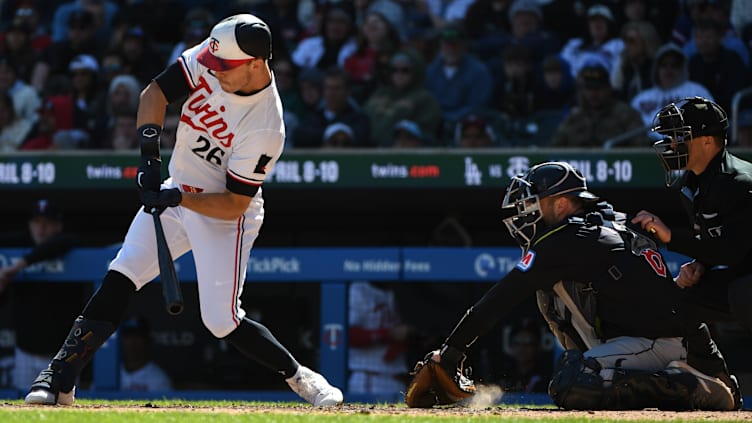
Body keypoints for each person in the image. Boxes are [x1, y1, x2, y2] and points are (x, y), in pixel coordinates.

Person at [23, 13, 343, 407]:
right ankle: (60, 377)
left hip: (224, 216)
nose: (214, 71)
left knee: (221, 321)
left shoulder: (267, 126)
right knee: (121, 274)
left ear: (257, 65)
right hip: (177, 192)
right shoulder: (215, 53)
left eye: (225, 68)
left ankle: (301, 377)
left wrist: (179, 199)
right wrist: (149, 160)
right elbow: (153, 95)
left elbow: (234, 203)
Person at [413, 161, 740, 410]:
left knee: (573, 382)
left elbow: (503, 296)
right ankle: (694, 378)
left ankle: (685, 385)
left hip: (660, 343)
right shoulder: (603, 225)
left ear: (560, 204)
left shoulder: (568, 239)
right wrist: (716, 366)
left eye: (533, 202)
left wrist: (452, 351)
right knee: (558, 316)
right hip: (662, 339)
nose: (524, 213)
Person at [631, 96, 752, 349]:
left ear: (708, 141)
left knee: (743, 294)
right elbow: (715, 241)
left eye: (679, 137)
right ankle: (705, 374)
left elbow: (733, 250)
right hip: (740, 272)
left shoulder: (739, 183)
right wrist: (700, 265)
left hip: (745, 281)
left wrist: (671, 237)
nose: (672, 144)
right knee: (676, 298)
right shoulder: (691, 184)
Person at [0, 199, 90, 392]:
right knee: (22, 412)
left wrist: (20, 265)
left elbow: (68, 241)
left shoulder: (68, 247)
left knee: (64, 408)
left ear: (58, 225)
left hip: (63, 356)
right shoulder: (17, 245)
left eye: (48, 223)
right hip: (26, 353)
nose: (41, 228)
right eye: (37, 222)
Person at [348, 281, 414, 394]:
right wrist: (389, 333)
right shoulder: (358, 290)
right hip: (369, 377)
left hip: (397, 377)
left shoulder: (392, 292)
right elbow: (349, 335)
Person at [118, 317, 172, 392]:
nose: (132, 341)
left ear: (147, 340)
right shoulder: (110, 373)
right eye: (128, 336)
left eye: (138, 336)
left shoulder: (158, 378)